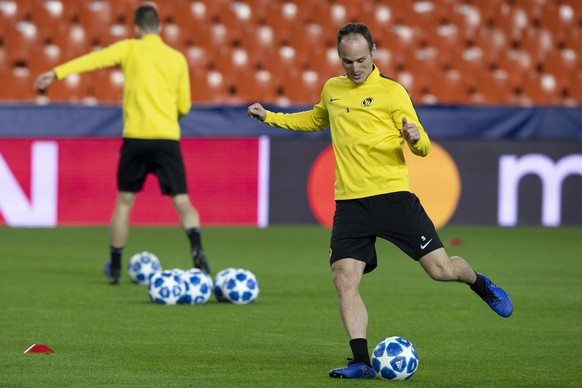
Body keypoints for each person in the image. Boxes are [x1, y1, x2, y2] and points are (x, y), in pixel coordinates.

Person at [247, 22, 512, 379]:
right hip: (351, 204)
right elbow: (314, 119)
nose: (354, 68)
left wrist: (416, 137)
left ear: (374, 53)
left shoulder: (392, 92)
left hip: (392, 198)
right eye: (346, 62)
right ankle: (360, 361)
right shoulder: (333, 90)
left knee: (441, 270)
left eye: (359, 60)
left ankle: (480, 283)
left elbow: (422, 147)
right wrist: (271, 118)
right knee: (344, 278)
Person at [34, 2, 210, 284]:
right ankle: (197, 247)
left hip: (136, 137)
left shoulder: (129, 48)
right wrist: (167, 114)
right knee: (183, 202)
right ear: (159, 27)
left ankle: (115, 268)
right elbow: (185, 106)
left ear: (137, 28)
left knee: (124, 204)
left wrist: (56, 73)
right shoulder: (177, 58)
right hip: (166, 137)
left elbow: (93, 60)